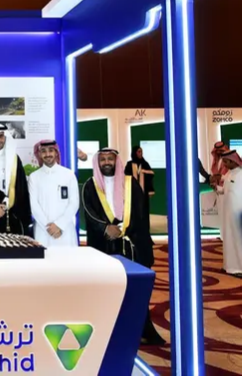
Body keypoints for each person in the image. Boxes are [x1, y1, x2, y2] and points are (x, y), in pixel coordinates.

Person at [81, 148, 164, 345]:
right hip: (103, 245)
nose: (106, 162)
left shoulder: (130, 183)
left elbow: (140, 212)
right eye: (103, 159)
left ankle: (140, 331)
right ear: (98, 162)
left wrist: (123, 229)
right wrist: (105, 228)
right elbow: (88, 212)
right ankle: (108, 332)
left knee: (133, 289)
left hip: (129, 244)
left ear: (116, 161)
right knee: (106, 289)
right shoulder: (90, 185)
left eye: (110, 159)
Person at [28, 140, 79, 247]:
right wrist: (49, 228)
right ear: (39, 154)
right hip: (43, 232)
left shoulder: (69, 174)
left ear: (56, 152)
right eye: (43, 151)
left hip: (65, 230)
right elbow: (33, 205)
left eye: (51, 150)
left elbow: (74, 203)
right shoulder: (34, 177)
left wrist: (60, 225)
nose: (47, 154)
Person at [215, 150, 242, 276]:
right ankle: (229, 266)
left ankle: (239, 268)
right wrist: (216, 187)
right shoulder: (229, 174)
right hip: (228, 214)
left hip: (238, 214)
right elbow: (225, 190)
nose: (224, 165)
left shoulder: (240, 174)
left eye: (226, 162)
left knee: (238, 240)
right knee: (228, 239)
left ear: (233, 161)